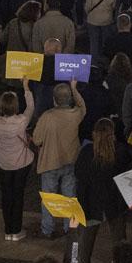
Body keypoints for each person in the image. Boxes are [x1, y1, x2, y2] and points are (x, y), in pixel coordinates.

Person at [74, 117, 132, 263]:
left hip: (92, 202)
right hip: (115, 203)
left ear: (94, 133)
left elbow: (79, 176)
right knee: (119, 236)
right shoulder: (120, 152)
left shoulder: (87, 152)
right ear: (112, 134)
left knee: (87, 235)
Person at [31, 80, 85, 238]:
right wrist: (74, 88)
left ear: (54, 99)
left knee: (49, 198)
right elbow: (83, 106)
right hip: (70, 161)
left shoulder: (47, 116)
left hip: (50, 163)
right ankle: (70, 227)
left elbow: (36, 140)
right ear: (70, 99)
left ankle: (47, 229)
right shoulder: (76, 114)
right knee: (70, 197)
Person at [0, 82, 35, 240]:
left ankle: (8, 230)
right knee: (18, 195)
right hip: (21, 163)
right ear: (16, 106)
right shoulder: (22, 121)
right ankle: (16, 230)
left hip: (3, 163)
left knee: (6, 195)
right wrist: (26, 87)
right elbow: (30, 106)